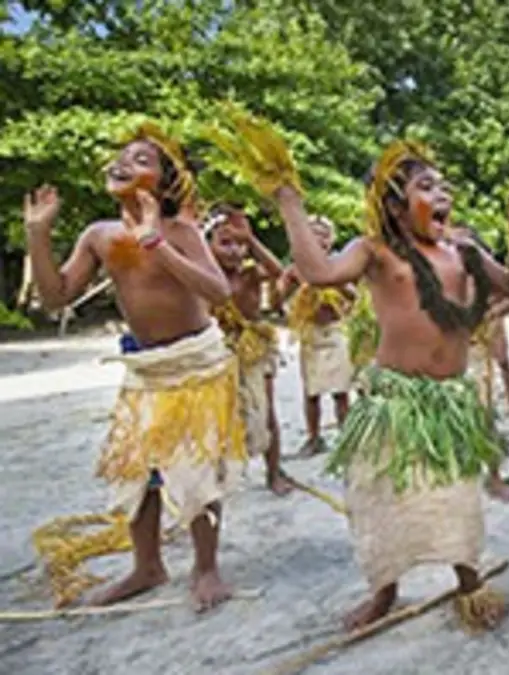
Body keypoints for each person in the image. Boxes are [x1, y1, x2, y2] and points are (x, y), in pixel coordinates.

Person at [212, 115, 509, 631]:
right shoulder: (374, 252)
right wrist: (289, 203)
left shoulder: (465, 250)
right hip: (393, 400)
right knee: (382, 497)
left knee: (455, 495)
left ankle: (469, 585)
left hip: (450, 400)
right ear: (392, 203)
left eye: (443, 184)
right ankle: (384, 591)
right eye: (425, 185)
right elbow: (318, 273)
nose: (442, 192)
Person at [23, 124, 243, 612]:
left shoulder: (181, 231)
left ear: (166, 185)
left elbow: (219, 292)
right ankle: (147, 566)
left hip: (195, 364)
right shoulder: (99, 236)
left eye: (142, 159)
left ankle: (206, 568)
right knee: (136, 468)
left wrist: (156, 244)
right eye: (122, 155)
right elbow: (56, 295)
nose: (125, 162)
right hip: (144, 367)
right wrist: (38, 235)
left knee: (194, 468)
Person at [205, 205, 292, 496]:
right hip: (219, 348)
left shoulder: (251, 274)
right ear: (208, 246)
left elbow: (278, 272)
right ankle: (216, 475)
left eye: (239, 244)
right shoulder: (204, 277)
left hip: (254, 347)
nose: (235, 251)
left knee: (266, 411)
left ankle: (274, 470)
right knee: (219, 413)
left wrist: (252, 241)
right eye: (225, 243)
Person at [276, 215, 354, 457]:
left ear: (331, 240)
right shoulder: (296, 269)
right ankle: (314, 437)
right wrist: (289, 281)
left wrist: (332, 279)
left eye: (323, 234)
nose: (318, 238)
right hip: (311, 335)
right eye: (312, 233)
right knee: (311, 391)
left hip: (336, 333)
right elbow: (277, 299)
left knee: (341, 391)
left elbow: (353, 295)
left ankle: (346, 436)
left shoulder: (339, 264)